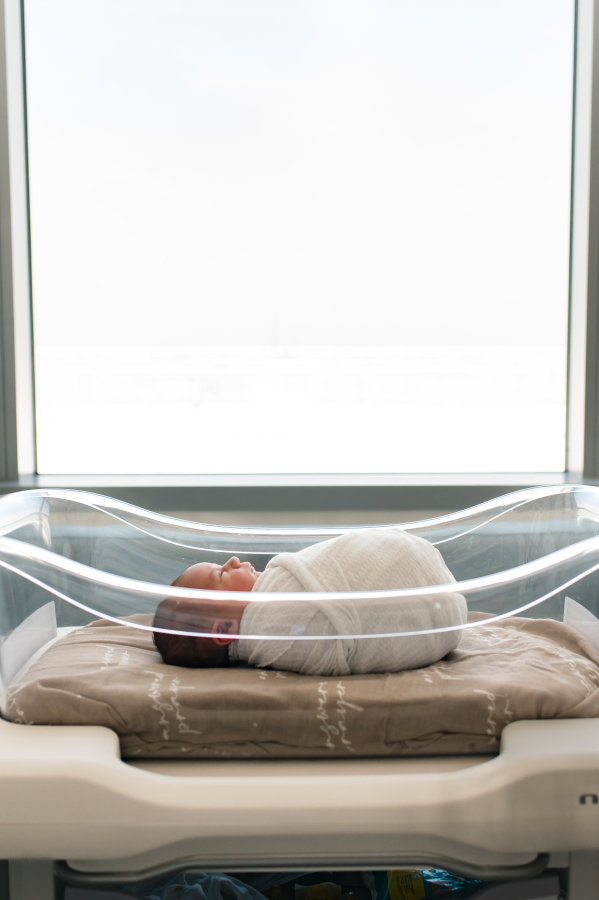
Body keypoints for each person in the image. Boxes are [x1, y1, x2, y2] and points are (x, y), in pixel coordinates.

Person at [153, 527, 467, 676]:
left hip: (439, 603)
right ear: (222, 630)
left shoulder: (269, 611)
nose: (233, 561)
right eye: (221, 575)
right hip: (434, 604)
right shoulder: (274, 626)